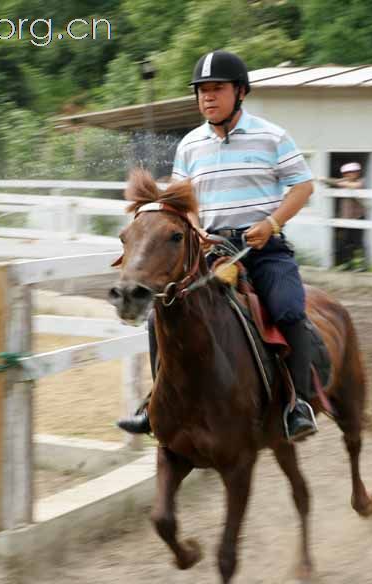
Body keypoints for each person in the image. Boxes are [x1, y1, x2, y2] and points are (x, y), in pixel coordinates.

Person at [117, 49, 318, 442]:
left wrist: (272, 222)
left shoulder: (273, 136)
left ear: (240, 92)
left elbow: (304, 186)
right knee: (163, 311)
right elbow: (182, 203)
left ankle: (299, 405)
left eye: (217, 89)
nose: (207, 97)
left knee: (289, 310)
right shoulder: (190, 145)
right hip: (210, 250)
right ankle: (155, 402)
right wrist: (197, 229)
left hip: (264, 248)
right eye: (202, 91)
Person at [321, 162, 368, 270]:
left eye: (351, 172)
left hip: (358, 217)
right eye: (346, 173)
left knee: (358, 242)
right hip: (345, 217)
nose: (348, 175)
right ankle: (348, 264)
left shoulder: (361, 182)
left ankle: (361, 265)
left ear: (357, 173)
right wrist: (324, 179)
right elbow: (336, 182)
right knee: (345, 242)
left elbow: (354, 186)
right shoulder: (344, 182)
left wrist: (328, 180)